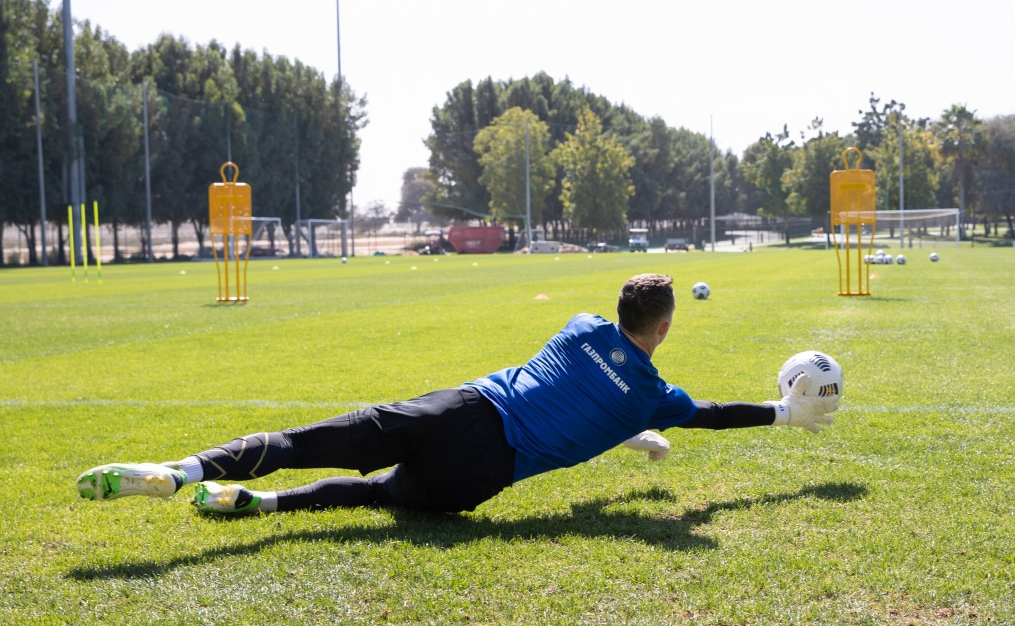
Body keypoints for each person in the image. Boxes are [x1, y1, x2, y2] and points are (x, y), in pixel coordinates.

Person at [76, 273, 837, 516]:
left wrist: (619, 422)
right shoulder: (654, 397)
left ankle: (179, 473)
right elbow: (705, 416)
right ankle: (264, 509)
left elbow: (589, 375)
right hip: (485, 470)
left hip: (463, 407)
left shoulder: (577, 328)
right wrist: (783, 411)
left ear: (618, 312)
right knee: (375, 496)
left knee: (311, 437)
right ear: (664, 329)